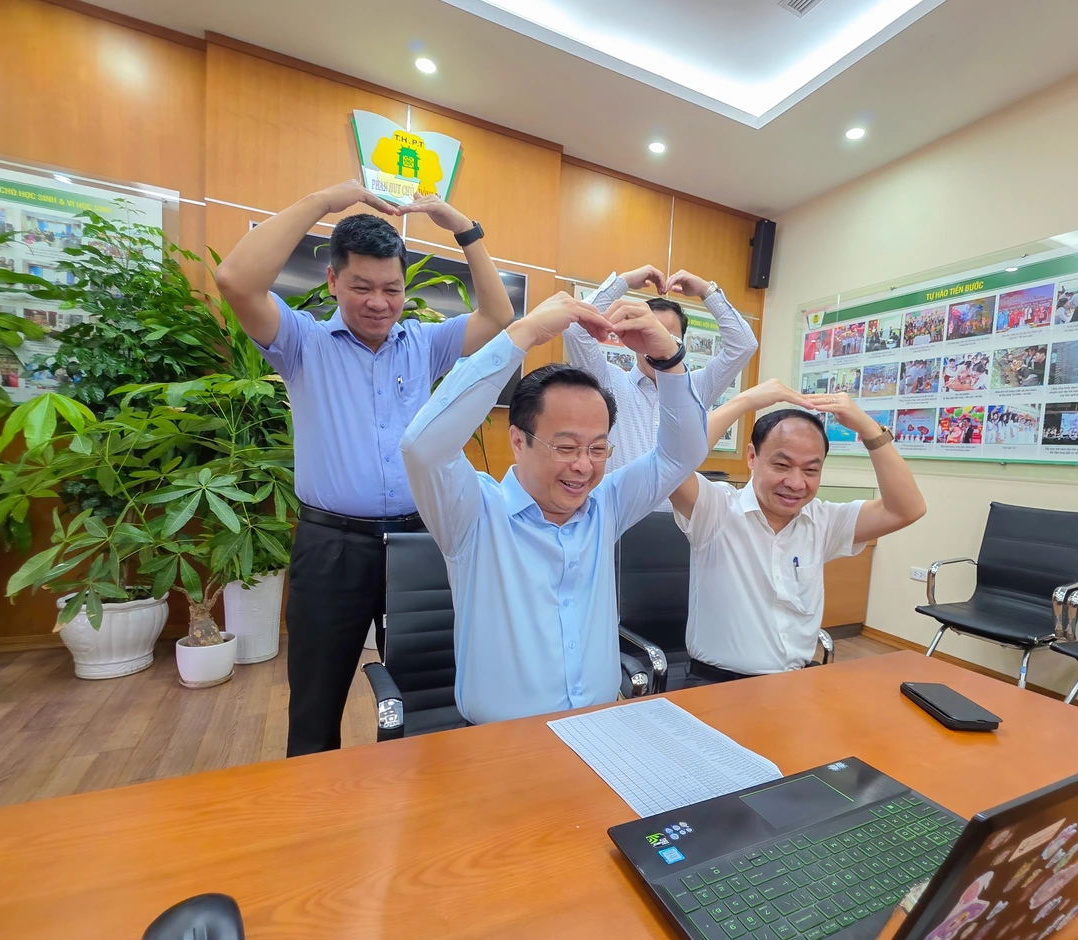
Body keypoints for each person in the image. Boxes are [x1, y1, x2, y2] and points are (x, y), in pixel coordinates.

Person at [214, 179, 515, 757]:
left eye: (391, 289)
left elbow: (498, 314)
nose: (379, 302)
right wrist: (324, 202)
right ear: (332, 281)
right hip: (332, 548)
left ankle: (425, 796)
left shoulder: (424, 344)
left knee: (430, 691)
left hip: (418, 542)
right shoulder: (300, 342)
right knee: (315, 702)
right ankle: (315, 802)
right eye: (361, 287)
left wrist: (463, 228)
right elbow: (235, 280)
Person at [400, 292, 707, 724]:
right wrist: (523, 333)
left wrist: (669, 361)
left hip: (601, 728)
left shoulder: (606, 505)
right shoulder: (473, 512)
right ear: (518, 440)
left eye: (597, 449)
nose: (583, 466)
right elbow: (422, 447)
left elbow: (682, 455)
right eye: (565, 447)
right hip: (501, 742)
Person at [668, 381, 926, 682]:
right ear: (752, 457)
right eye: (782, 465)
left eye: (810, 470)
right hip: (719, 684)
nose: (795, 483)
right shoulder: (716, 510)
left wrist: (869, 429)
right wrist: (745, 401)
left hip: (797, 684)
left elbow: (907, 509)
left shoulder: (823, 521)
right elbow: (672, 464)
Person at [562, 264, 757, 476]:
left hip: (678, 499)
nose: (655, 346)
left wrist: (706, 291)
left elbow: (744, 345)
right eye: (648, 334)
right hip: (618, 498)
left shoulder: (695, 387)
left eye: (668, 338)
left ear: (682, 344)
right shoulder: (607, 381)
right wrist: (624, 281)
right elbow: (575, 329)